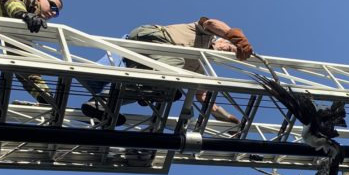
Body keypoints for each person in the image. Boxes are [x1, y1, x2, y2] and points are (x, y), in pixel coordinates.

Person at [80, 17, 254, 125]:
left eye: (231, 53)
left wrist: (226, 118)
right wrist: (236, 37)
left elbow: (203, 96)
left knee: (173, 92)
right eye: (229, 48)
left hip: (147, 61)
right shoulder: (206, 34)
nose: (228, 51)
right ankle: (151, 89)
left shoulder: (198, 67)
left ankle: (100, 105)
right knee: (175, 65)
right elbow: (211, 23)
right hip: (151, 37)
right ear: (223, 41)